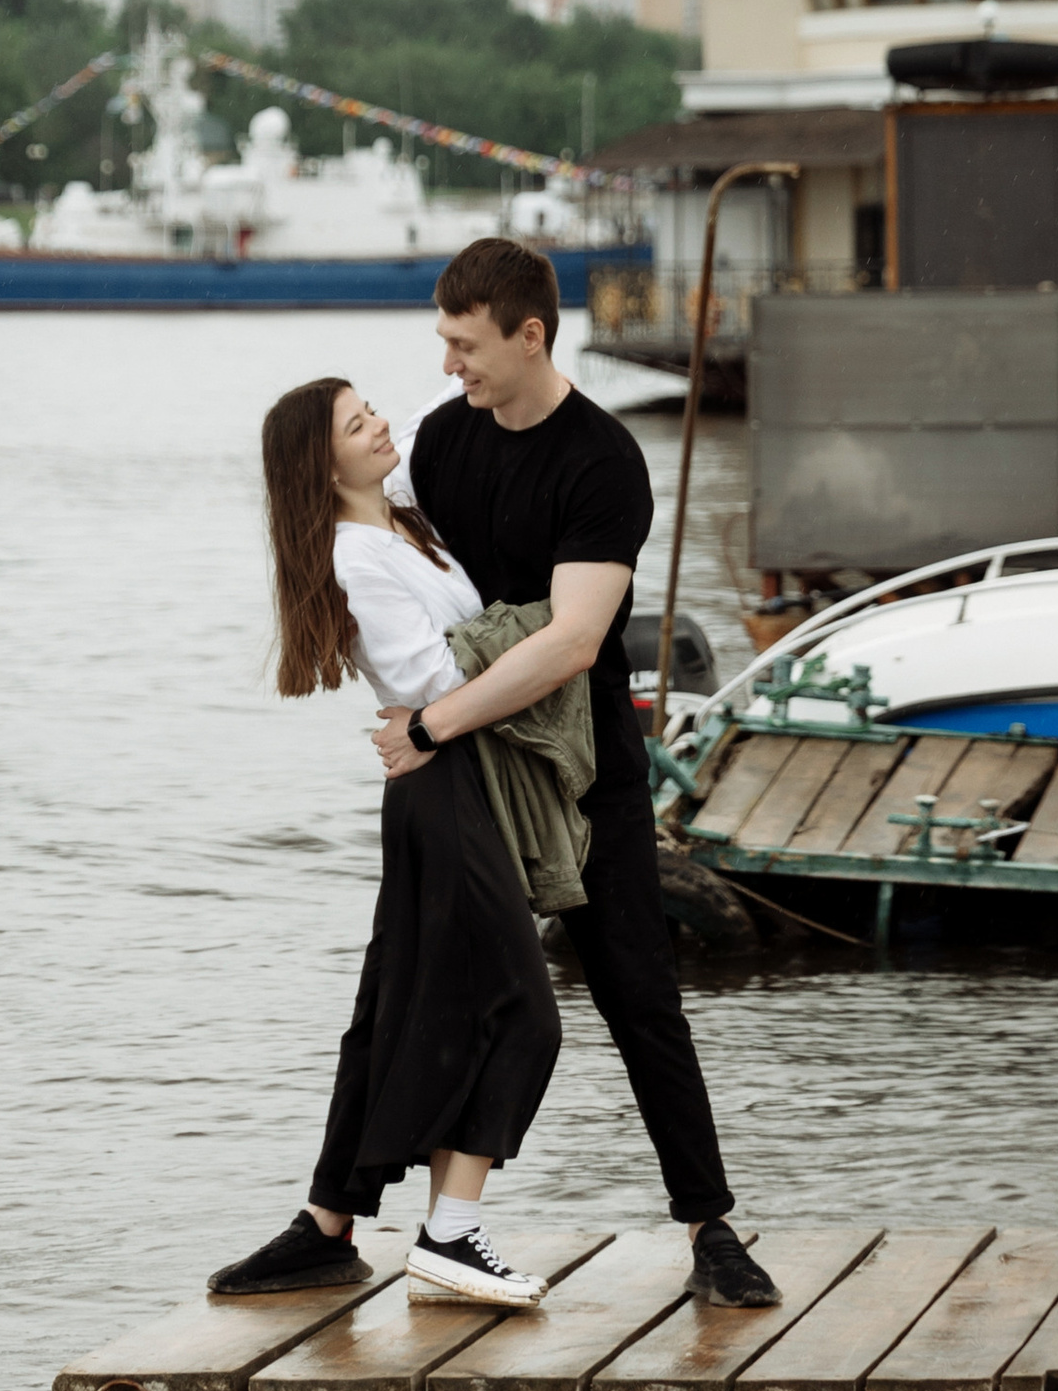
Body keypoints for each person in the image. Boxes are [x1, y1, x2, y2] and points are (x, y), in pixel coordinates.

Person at [212, 239, 778, 1312]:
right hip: (461, 768)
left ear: (530, 336)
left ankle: (709, 1227)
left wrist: (425, 722)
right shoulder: (440, 441)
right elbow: (374, 545)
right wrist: (426, 725)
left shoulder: (601, 461)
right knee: (389, 990)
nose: (446, 364)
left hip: (575, 761)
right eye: (441, 341)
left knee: (636, 990)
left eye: (464, 345)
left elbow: (572, 642)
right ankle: (328, 1224)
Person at [207, 375, 563, 1309]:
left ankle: (328, 1225)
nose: (378, 425)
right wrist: (543, 632)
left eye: (370, 411)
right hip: (442, 788)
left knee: (394, 1010)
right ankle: (451, 1236)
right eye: (355, 424)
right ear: (318, 466)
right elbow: (432, 676)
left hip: (454, 783)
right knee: (525, 1011)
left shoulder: (406, 519)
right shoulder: (355, 554)